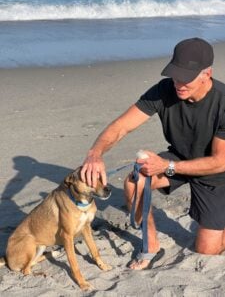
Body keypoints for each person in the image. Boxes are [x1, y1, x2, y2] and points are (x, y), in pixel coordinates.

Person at [80, 37, 225, 270]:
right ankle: (152, 246)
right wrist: (95, 154)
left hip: (217, 176)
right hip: (180, 157)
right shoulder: (163, 91)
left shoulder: (223, 102)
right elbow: (121, 126)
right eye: (175, 75)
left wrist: (167, 167)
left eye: (186, 78)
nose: (178, 83)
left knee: (207, 251)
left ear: (206, 74)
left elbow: (220, 162)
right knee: (134, 182)